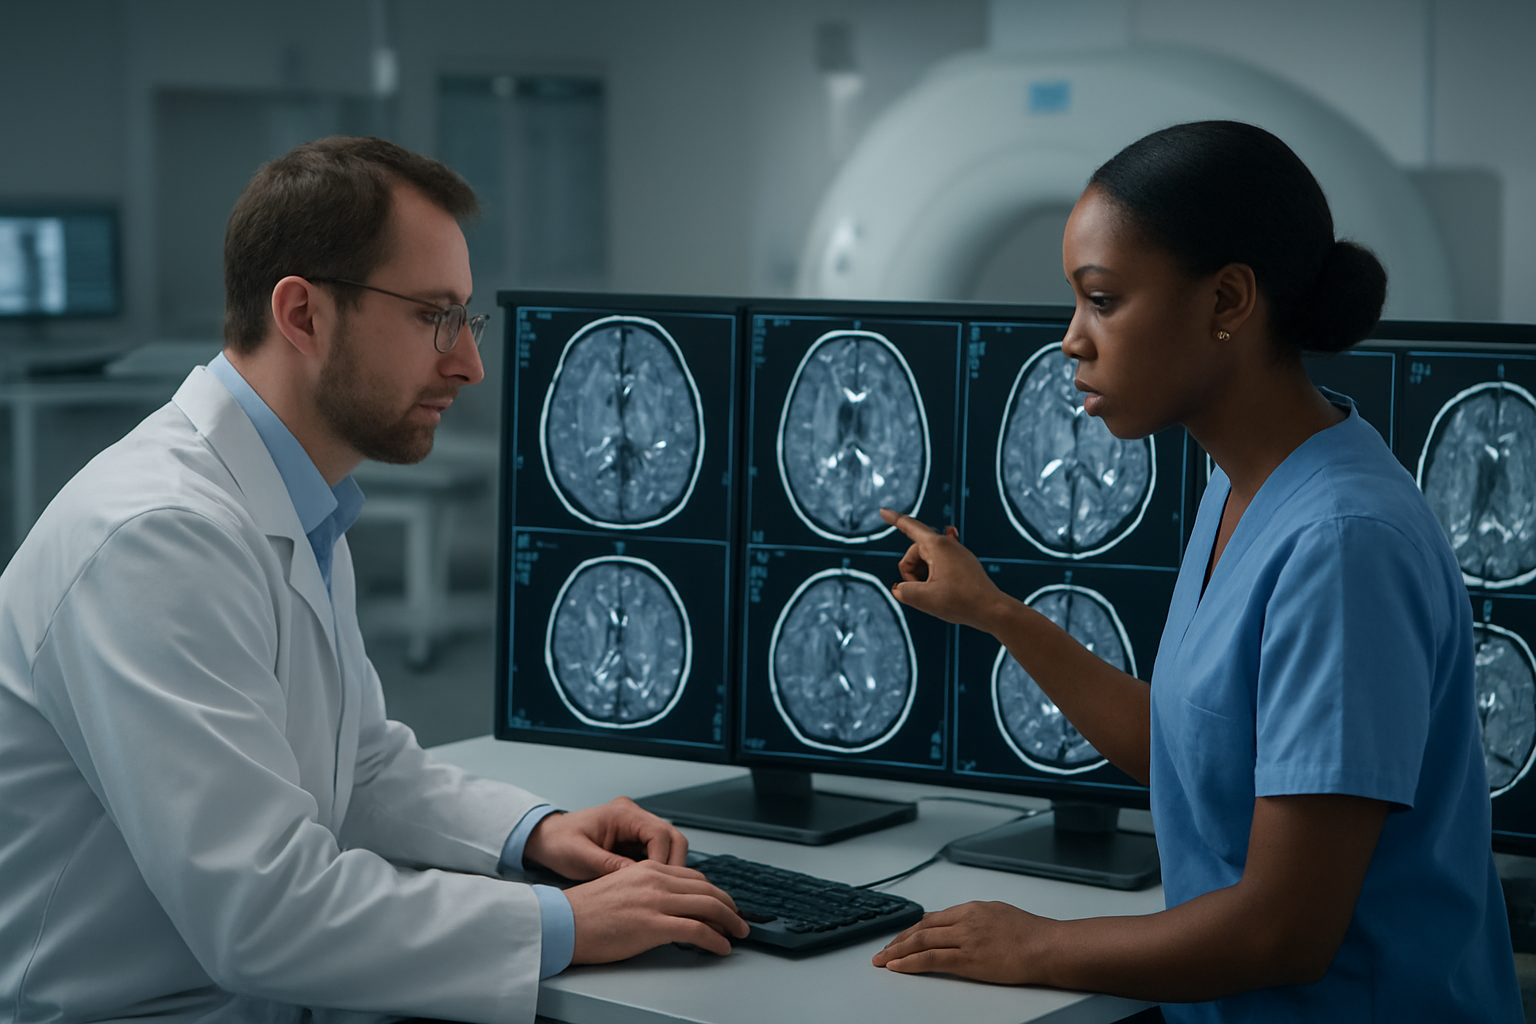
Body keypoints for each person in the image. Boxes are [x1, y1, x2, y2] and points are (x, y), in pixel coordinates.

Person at [0, 136, 745, 1024]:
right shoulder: (158, 538)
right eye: (434, 316)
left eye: (467, 321)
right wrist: (566, 923)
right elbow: (262, 915)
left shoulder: (290, 499)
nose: (468, 364)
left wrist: (536, 834)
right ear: (303, 314)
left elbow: (356, 764)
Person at [871, 121, 1523, 1022]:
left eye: (1103, 300)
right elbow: (1192, 752)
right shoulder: (1242, 487)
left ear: (1227, 299)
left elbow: (1284, 932)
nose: (1072, 340)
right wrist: (994, 611)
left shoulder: (1343, 544)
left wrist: (1039, 946)